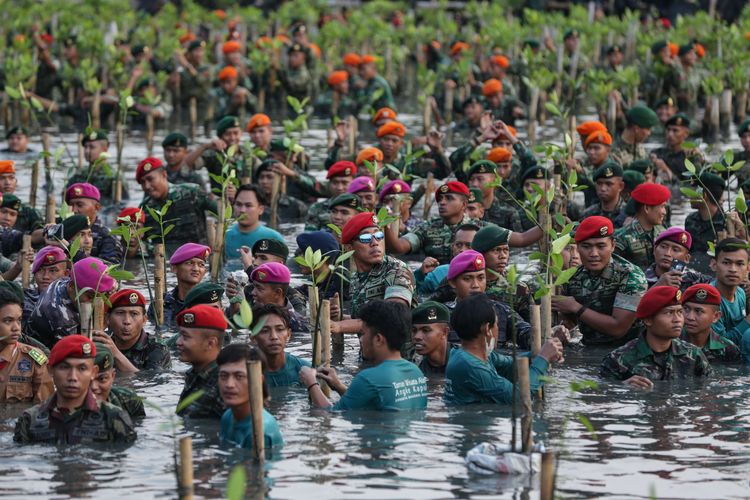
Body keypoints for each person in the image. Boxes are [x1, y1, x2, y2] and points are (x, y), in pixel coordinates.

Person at [300, 300, 428, 411]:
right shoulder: (416, 372)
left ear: (378, 339)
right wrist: (338, 386)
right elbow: (373, 403)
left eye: (363, 333)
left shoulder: (368, 378)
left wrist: (311, 382)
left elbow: (330, 413)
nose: (361, 339)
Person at [14, 335, 137, 444]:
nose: (73, 377)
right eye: (64, 367)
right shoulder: (30, 420)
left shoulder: (114, 418)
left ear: (93, 372)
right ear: (51, 370)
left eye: (82, 368)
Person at [444, 293, 563, 405]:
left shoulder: (474, 354)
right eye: (496, 324)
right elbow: (518, 398)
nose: (497, 328)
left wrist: (541, 354)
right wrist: (543, 358)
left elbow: (512, 365)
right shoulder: (470, 366)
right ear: (487, 329)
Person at [554, 216, 647, 345]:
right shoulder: (574, 276)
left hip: (629, 351)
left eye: (601, 246)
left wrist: (576, 307)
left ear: (613, 245)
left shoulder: (631, 276)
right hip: (589, 347)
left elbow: (618, 328)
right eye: (586, 247)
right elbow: (571, 321)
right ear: (578, 247)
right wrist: (562, 328)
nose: (594, 254)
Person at [600, 286, 712, 387]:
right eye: (669, 313)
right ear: (648, 320)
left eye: (679, 312)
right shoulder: (619, 359)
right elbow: (602, 392)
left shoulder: (694, 355)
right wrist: (621, 387)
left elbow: (709, 388)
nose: (677, 319)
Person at [331, 212, 415, 334]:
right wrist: (340, 318)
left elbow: (395, 315)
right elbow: (365, 321)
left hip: (397, 352)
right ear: (349, 248)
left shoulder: (396, 269)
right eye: (365, 238)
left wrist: (341, 326)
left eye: (379, 235)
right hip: (369, 351)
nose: (375, 242)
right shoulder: (355, 278)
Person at [27, 257, 116, 349]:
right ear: (71, 286)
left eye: (100, 296)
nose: (94, 302)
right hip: (44, 351)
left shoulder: (66, 282)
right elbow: (77, 353)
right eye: (90, 296)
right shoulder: (60, 315)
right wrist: (102, 326)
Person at [137, 156, 217, 253]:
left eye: (150, 179)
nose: (147, 186)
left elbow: (222, 213)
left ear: (164, 175)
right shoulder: (144, 209)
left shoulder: (191, 193)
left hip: (197, 257)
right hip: (164, 262)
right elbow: (141, 244)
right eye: (142, 182)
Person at [217, 343, 284, 451]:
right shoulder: (227, 417)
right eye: (224, 376)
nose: (229, 384)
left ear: (258, 380)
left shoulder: (261, 431)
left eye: (239, 376)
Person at [0, 287, 54, 403]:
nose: (16, 328)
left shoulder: (33, 359)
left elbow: (43, 409)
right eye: (8, 321)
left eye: (19, 320)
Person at [96, 289, 170, 372]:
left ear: (144, 320)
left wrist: (116, 354)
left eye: (134, 314)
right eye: (120, 313)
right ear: (107, 318)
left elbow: (150, 381)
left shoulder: (157, 348)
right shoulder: (102, 342)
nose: (127, 321)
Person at [175, 304, 227, 419]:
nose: (178, 342)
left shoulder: (225, 383)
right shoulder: (194, 373)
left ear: (210, 343)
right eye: (180, 335)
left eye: (185, 337)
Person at [706, 238, 750, 361]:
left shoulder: (740, 292)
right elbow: (718, 345)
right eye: (726, 263)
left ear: (747, 268)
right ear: (714, 265)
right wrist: (747, 322)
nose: (733, 269)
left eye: (740, 264)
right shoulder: (709, 298)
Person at [148, 243, 210, 327]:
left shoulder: (209, 302)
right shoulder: (161, 303)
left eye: (201, 265)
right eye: (189, 263)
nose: (196, 269)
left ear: (205, 272)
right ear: (174, 268)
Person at [684, 173, 734, 274]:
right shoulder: (690, 220)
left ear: (704, 195)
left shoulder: (727, 224)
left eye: (693, 191)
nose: (689, 195)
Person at [250, 304, 311, 386]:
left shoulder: (305, 370)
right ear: (253, 338)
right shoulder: (243, 373)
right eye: (265, 331)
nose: (274, 337)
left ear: (289, 334)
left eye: (279, 329)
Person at [614, 183, 670, 269]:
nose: (664, 212)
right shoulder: (621, 238)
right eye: (662, 207)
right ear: (647, 208)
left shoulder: (663, 232)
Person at [65, 183, 124, 263]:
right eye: (71, 205)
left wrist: (70, 249)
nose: (74, 210)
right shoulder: (63, 231)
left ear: (97, 207)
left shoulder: (107, 236)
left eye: (80, 205)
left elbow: (109, 268)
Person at [681, 284, 742, 363]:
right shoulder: (669, 343)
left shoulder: (729, 350)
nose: (690, 317)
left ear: (716, 316)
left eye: (698, 311)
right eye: (686, 309)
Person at [224, 185, 284, 263]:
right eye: (238, 204)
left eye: (248, 205)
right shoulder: (224, 237)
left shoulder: (273, 238)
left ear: (261, 209)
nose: (242, 210)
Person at [67, 130, 127, 204]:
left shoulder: (114, 176)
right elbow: (66, 196)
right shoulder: (78, 175)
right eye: (85, 147)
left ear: (105, 149)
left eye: (92, 147)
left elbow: (122, 203)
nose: (87, 151)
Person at [90, 342, 146, 419]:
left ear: (113, 376)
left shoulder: (128, 400)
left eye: (102, 379)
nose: (94, 387)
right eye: (87, 380)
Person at [645, 227, 712, 290]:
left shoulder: (697, 281)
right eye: (663, 247)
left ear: (686, 258)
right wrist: (658, 286)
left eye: (675, 250)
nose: (667, 253)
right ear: (654, 250)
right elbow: (637, 302)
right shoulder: (640, 278)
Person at [249, 263, 309, 332]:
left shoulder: (298, 326)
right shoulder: (253, 314)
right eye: (254, 287)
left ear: (277, 293)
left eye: (259, 288)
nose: (253, 292)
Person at [466, 160, 522, 231]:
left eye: (480, 179)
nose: (474, 184)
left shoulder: (508, 213)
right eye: (471, 179)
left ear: (494, 180)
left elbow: (518, 240)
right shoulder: (463, 210)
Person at [23, 246, 70, 327]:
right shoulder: (24, 298)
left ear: (65, 274)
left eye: (52, 271)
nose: (45, 276)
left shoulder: (73, 301)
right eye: (40, 270)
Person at [650, 114, 704, 181]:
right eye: (668, 130)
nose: (670, 134)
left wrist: (666, 170)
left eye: (675, 131)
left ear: (686, 133)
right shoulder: (657, 153)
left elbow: (692, 185)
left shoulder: (691, 156)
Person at [305, 161, 355, 231]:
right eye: (335, 183)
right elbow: (308, 236)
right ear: (329, 184)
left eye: (345, 183)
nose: (339, 188)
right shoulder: (317, 209)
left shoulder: (361, 207)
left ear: (353, 183)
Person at [0, 160, 43, 232]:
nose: (7, 183)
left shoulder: (28, 212)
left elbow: (39, 230)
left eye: (11, 178)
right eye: (2, 178)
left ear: (16, 182)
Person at [411, 301, 452, 376]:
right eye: (414, 330)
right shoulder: (411, 364)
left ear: (444, 332)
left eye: (425, 330)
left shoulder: (464, 361)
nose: (417, 336)